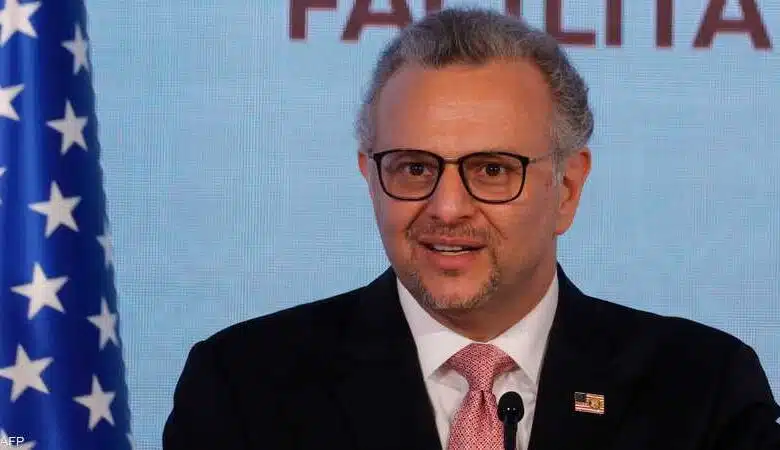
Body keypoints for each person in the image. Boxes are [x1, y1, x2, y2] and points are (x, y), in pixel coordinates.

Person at [162, 7, 780, 450]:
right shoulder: (244, 385)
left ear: (567, 188)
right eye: (414, 168)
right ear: (370, 177)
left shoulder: (701, 389)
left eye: (492, 169)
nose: (448, 207)